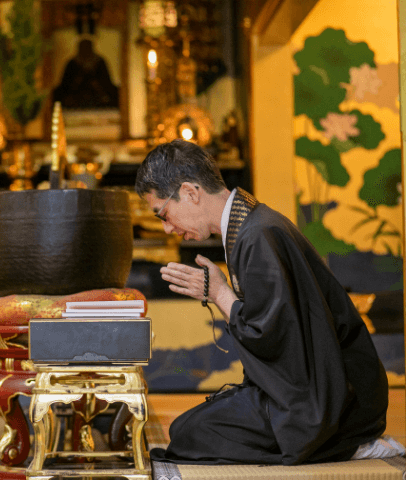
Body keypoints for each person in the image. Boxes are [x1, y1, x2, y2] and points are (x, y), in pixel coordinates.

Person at [135, 139, 388, 465]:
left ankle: (346, 444)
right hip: (325, 388)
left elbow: (271, 338)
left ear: (190, 192)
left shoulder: (256, 235)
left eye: (163, 214)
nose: (168, 228)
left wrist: (220, 294)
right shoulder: (252, 226)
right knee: (190, 428)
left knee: (190, 433)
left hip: (332, 402)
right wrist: (221, 293)